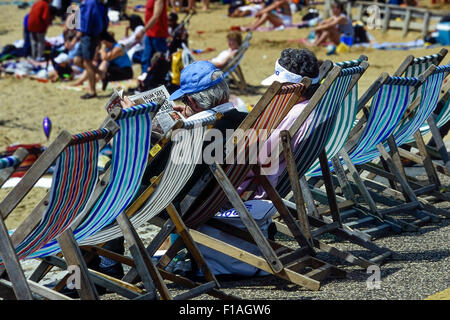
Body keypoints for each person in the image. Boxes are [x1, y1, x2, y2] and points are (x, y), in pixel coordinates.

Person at [237, 48, 321, 199]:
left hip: (251, 189)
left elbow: (255, 159)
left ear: (296, 87)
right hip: (280, 179)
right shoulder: (316, 108)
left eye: (282, 86)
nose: (277, 91)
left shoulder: (294, 117)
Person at [73, 0, 105, 99]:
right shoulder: (86, 2)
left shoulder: (90, 2)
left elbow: (87, 22)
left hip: (88, 36)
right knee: (77, 61)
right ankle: (102, 74)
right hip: (86, 36)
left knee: (87, 63)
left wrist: (76, 38)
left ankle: (92, 91)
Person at [135, 0, 169, 74]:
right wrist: (139, 10)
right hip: (150, 33)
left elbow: (156, 16)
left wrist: (142, 31)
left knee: (160, 61)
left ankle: (159, 81)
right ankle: (145, 79)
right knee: (146, 59)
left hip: (158, 35)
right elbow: (150, 10)